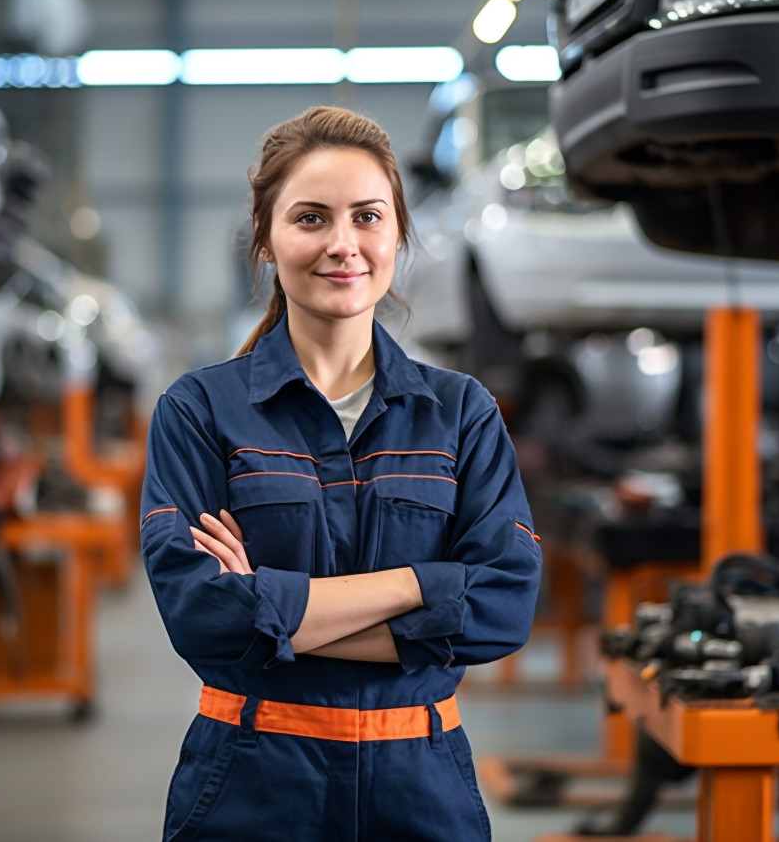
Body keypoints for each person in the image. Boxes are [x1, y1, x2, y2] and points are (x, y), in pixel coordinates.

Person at [140, 105, 543, 842]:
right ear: (265, 238)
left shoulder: (461, 413)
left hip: (422, 788)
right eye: (310, 218)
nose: (343, 244)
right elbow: (202, 614)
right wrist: (430, 585)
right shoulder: (200, 410)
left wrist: (275, 610)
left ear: (397, 233)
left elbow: (504, 606)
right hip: (252, 783)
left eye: (366, 216)